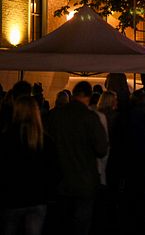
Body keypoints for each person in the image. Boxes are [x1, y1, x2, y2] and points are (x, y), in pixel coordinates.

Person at [46, 81, 108, 235]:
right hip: (85, 179)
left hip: (60, 177)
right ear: (88, 97)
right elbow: (101, 149)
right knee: (81, 222)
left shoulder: (55, 115)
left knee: (61, 221)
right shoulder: (91, 118)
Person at [0, 96, 59, 235]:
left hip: (12, 197)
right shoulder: (45, 141)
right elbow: (54, 170)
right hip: (38, 197)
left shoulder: (6, 138)